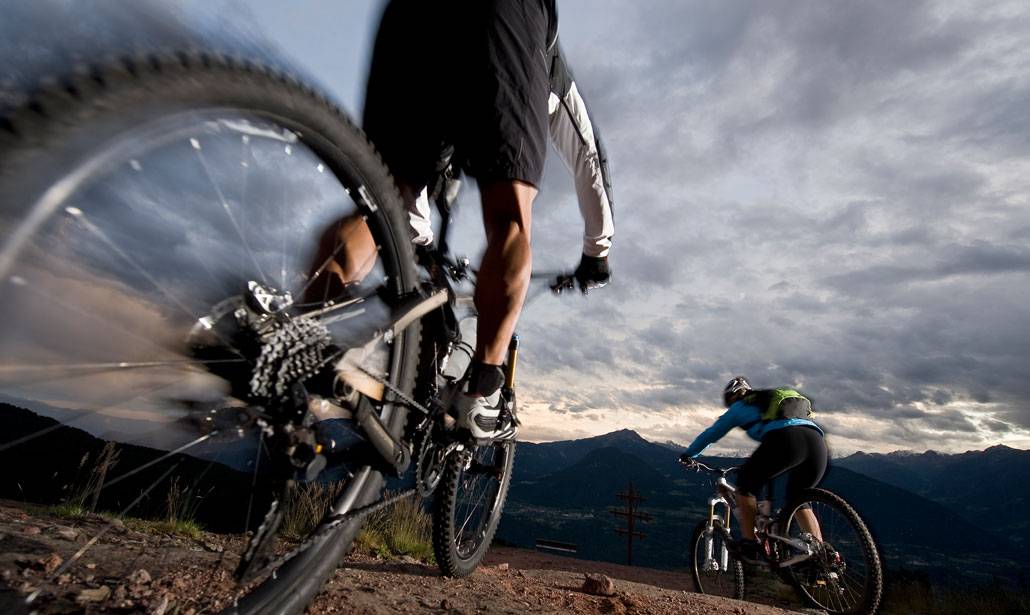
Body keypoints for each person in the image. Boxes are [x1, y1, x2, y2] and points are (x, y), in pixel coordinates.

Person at [319, 0, 615, 441]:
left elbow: (410, 212)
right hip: (503, 15)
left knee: (380, 207)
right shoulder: (551, 68)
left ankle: (296, 335)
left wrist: (416, 242)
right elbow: (589, 160)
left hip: (410, 18)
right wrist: (597, 252)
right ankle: (484, 389)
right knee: (509, 219)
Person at [679, 377, 828, 562]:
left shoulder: (739, 407)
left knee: (745, 486)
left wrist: (689, 455)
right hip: (817, 444)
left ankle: (749, 544)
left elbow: (712, 434)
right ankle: (821, 555)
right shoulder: (772, 400)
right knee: (798, 498)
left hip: (786, 440)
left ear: (732, 398)